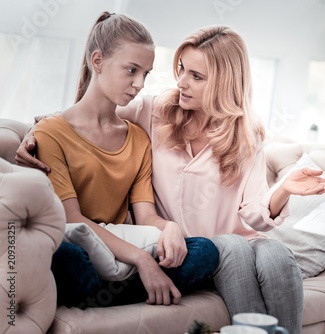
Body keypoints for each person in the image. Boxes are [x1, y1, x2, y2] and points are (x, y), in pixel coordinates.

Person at [17, 25, 325, 333]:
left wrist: (283, 188)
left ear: (225, 83)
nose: (182, 82)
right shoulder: (153, 111)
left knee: (276, 254)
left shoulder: (247, 135)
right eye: (182, 69)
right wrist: (32, 136)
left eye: (196, 76)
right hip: (197, 249)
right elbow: (84, 118)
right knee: (231, 247)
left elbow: (254, 211)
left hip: (240, 242)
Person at [31, 11, 219, 308]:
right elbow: (71, 218)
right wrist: (144, 260)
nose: (140, 83)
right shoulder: (51, 132)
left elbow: (145, 217)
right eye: (131, 70)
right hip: (86, 251)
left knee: (205, 250)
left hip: (123, 256)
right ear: (97, 61)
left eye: (145, 73)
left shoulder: (138, 138)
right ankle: (135, 288)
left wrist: (169, 228)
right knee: (66, 257)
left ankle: (106, 295)